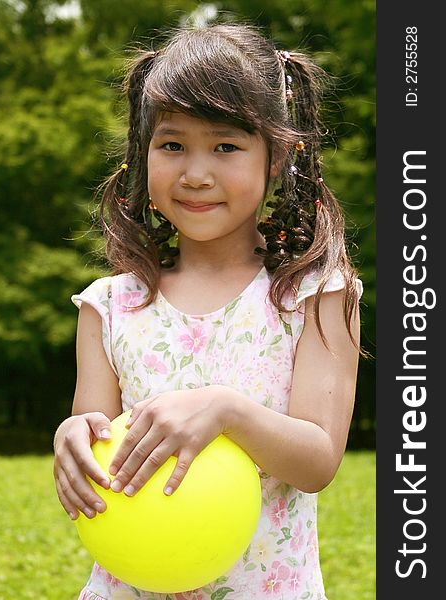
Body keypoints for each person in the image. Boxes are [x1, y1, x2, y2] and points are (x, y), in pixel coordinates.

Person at [53, 21, 363, 600]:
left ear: (275, 160)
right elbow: (97, 433)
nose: (196, 174)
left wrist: (225, 410)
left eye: (226, 145)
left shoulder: (314, 294)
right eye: (172, 145)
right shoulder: (110, 306)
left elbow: (318, 459)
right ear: (142, 157)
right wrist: (71, 439)